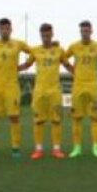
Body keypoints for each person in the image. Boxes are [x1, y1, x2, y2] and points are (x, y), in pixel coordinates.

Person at [0, 17, 35, 159]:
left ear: (11, 29)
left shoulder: (18, 44)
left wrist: (25, 65)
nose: (4, 31)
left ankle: (15, 148)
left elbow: (34, 53)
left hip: (12, 86)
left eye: (7, 28)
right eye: (2, 28)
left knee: (14, 117)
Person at [22, 23, 69, 159]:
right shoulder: (35, 50)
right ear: (40, 35)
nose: (46, 38)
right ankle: (38, 149)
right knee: (38, 121)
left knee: (56, 120)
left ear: (52, 34)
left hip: (55, 91)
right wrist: (14, 69)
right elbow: (27, 64)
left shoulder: (59, 50)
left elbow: (66, 65)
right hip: (39, 91)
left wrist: (78, 73)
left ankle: (56, 149)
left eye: (48, 35)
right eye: (43, 35)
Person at [65, 20, 97, 158]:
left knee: (95, 117)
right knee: (76, 118)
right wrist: (72, 70)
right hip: (78, 86)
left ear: (91, 31)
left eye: (87, 30)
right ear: (80, 32)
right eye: (82, 30)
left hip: (93, 86)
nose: (85, 33)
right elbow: (62, 59)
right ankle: (77, 148)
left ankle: (96, 147)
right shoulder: (74, 46)